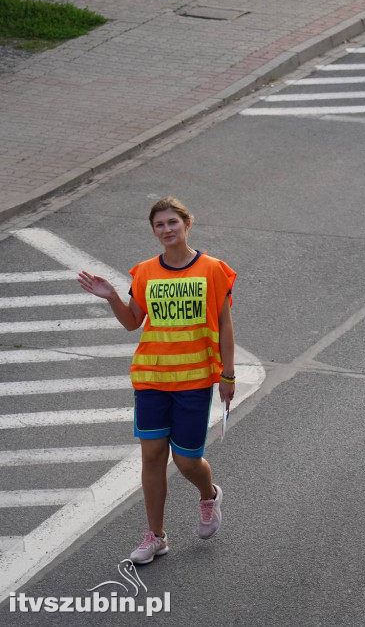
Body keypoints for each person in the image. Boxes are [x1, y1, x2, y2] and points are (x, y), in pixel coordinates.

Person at [77, 197, 236, 564]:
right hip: (151, 378)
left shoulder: (212, 270)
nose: (166, 230)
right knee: (151, 456)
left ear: (187, 225)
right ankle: (156, 536)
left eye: (172, 223)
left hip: (195, 380)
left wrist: (227, 374)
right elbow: (133, 322)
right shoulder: (145, 272)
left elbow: (225, 325)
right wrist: (113, 297)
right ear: (154, 231)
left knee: (186, 462)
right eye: (159, 225)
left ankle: (208, 494)